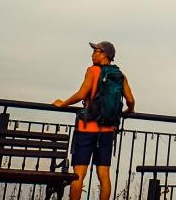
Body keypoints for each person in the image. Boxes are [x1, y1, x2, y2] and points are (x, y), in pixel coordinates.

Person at [53, 41, 135, 200]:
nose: (92, 55)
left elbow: (82, 94)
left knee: (79, 174)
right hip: (107, 131)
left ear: (104, 54)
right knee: (104, 175)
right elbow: (131, 100)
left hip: (87, 129)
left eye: (95, 51)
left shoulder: (92, 71)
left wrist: (63, 103)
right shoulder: (120, 76)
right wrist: (128, 111)